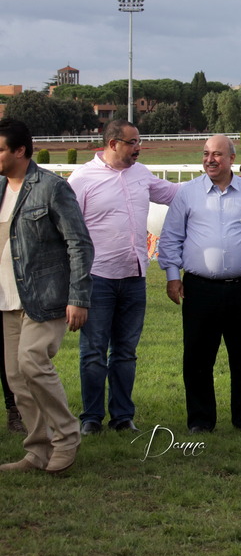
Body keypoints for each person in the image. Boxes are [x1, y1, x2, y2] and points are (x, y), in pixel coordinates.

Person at [158, 134, 241, 434]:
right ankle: (200, 421)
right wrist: (173, 276)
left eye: (217, 154)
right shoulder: (188, 193)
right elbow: (171, 237)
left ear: (232, 159)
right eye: (206, 153)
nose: (210, 159)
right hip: (199, 288)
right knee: (197, 356)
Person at [68, 119, 178, 435]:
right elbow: (68, 230)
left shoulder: (141, 174)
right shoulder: (82, 178)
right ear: (113, 144)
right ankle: (90, 417)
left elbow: (173, 194)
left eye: (138, 141)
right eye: (132, 142)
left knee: (126, 353)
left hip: (134, 278)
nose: (137, 147)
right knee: (93, 352)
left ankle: (122, 416)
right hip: (97, 278)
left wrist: (217, 180)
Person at [0, 118, 93, 473]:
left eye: (0, 149)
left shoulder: (51, 188)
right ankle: (37, 450)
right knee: (16, 378)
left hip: (46, 297)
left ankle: (67, 437)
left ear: (20, 151)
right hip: (6, 300)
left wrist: (79, 297)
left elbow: (79, 244)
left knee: (32, 362)